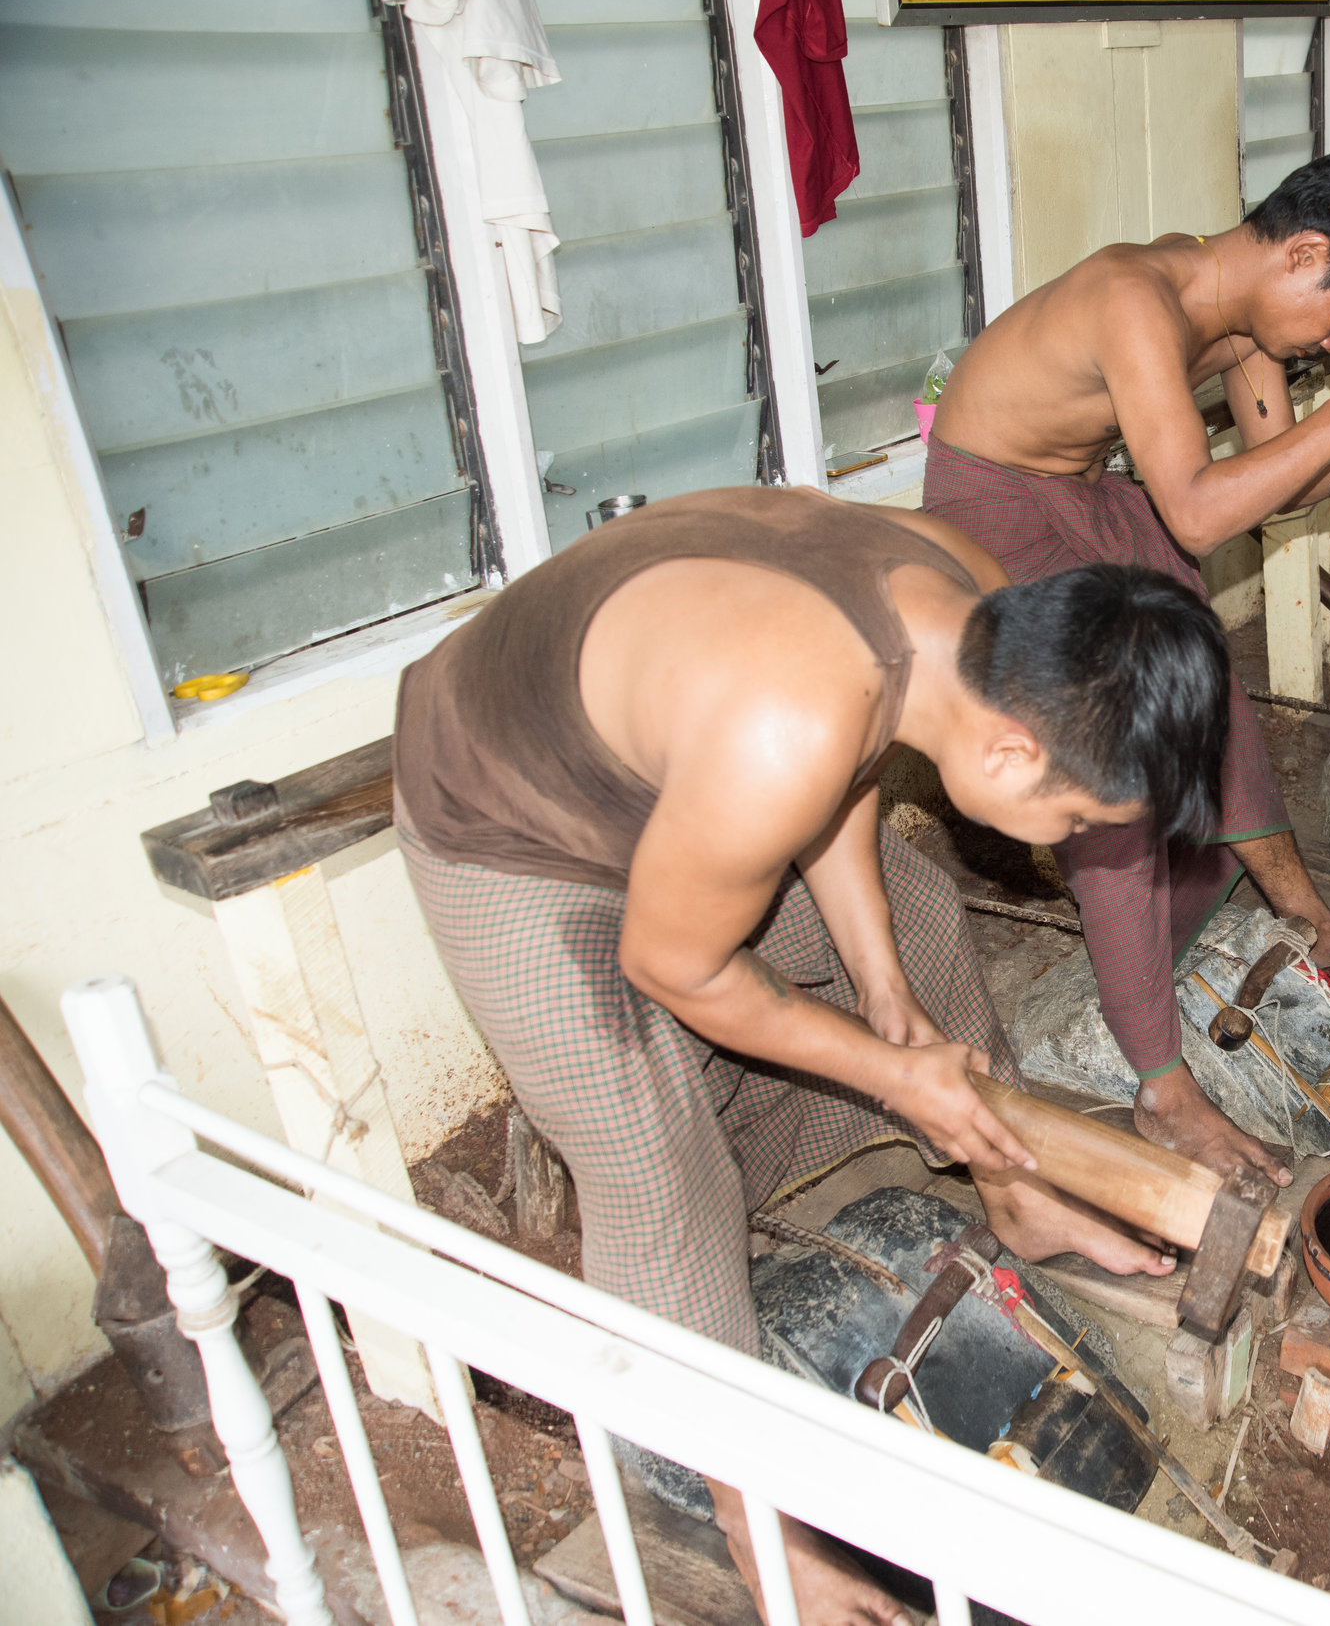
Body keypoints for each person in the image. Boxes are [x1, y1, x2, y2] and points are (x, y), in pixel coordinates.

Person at [394, 491, 1234, 1626]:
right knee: (649, 1144)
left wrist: (882, 985)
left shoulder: (972, 611)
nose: (1078, 842)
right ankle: (757, 1529)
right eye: (1079, 817)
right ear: (1011, 746)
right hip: (508, 816)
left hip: (680, 767)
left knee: (922, 928)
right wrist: (893, 1073)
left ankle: (1016, 1195)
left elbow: (853, 755)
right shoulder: (786, 718)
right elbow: (676, 965)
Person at [924, 151, 1330, 1189]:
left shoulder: (1246, 322)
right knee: (1122, 775)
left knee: (1211, 690)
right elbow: (1199, 509)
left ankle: (1307, 915)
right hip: (998, 501)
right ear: (1304, 253)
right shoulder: (1133, 296)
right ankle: (1161, 1083)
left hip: (1093, 490)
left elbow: (1274, 488)